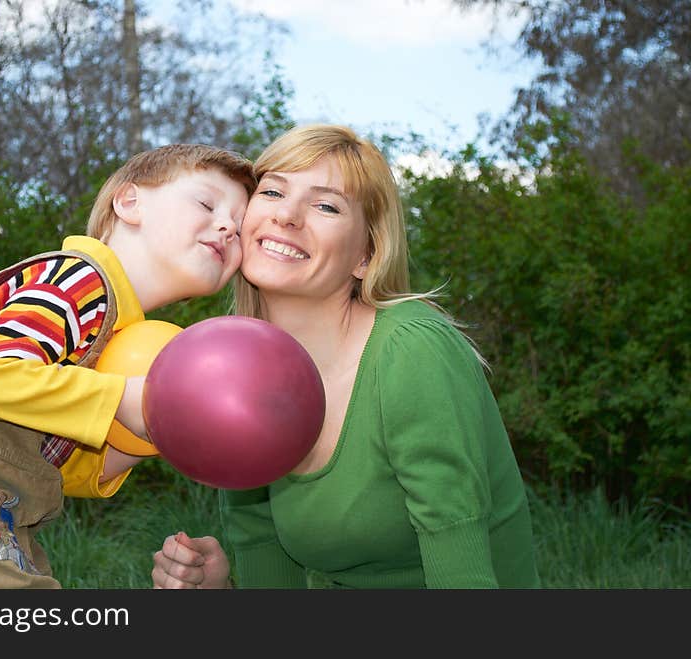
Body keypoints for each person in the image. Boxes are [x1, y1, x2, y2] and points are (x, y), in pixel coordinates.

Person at [151, 125, 541, 589]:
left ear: (365, 255)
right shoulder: (238, 371)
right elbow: (268, 568)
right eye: (273, 191)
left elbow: (465, 574)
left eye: (326, 205)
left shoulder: (411, 349)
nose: (288, 216)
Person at [0, 144, 255, 589]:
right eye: (206, 203)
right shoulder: (76, 280)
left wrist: (144, 437)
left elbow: (56, 465)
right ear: (129, 203)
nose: (226, 226)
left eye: (240, 231)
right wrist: (123, 400)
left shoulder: (118, 334)